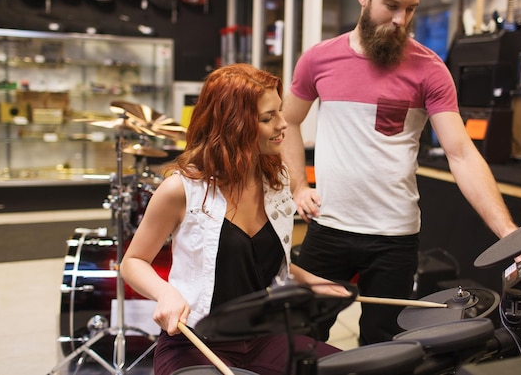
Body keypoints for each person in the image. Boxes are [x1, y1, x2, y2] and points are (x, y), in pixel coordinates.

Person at [281, 0, 518, 346]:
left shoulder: (430, 69)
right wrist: (297, 187)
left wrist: (508, 232)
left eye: (410, 9)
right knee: (302, 341)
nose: (400, 20)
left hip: (394, 238)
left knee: (384, 349)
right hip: (329, 228)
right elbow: (288, 121)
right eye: (391, 6)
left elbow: (461, 154)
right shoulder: (319, 60)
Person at [120, 63, 350, 375]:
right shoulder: (181, 189)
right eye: (269, 118)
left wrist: (312, 281)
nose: (284, 124)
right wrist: (165, 293)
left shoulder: (277, 178)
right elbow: (132, 262)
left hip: (263, 337)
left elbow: (257, 260)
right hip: (195, 341)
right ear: (234, 124)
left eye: (280, 112)